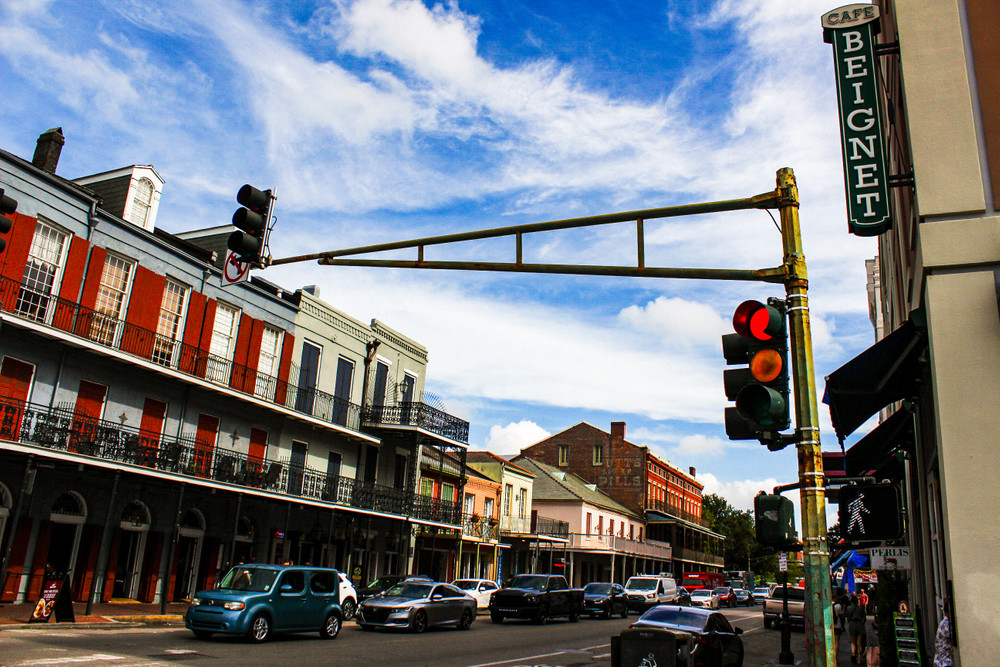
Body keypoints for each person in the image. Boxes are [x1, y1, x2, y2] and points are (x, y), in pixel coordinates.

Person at [847, 594, 867, 664]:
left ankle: (853, 654)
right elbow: (864, 618)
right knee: (859, 643)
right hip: (859, 624)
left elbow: (848, 618)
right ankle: (859, 659)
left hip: (852, 624)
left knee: (853, 641)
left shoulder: (849, 608)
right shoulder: (861, 608)